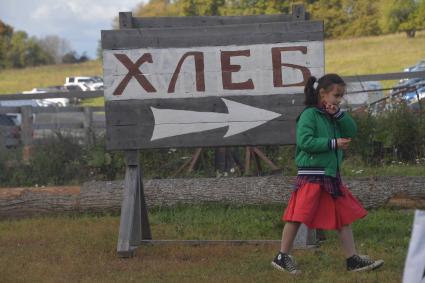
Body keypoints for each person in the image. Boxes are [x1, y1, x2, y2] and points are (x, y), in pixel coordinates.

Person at [271, 73, 384, 274]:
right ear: (323, 94)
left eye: (341, 96)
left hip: (330, 175)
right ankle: (282, 256)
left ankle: (352, 260)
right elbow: (305, 142)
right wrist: (333, 143)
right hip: (312, 176)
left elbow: (352, 129)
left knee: (342, 217)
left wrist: (339, 114)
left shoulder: (333, 116)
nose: (339, 100)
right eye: (336, 95)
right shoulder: (309, 115)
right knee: (297, 216)